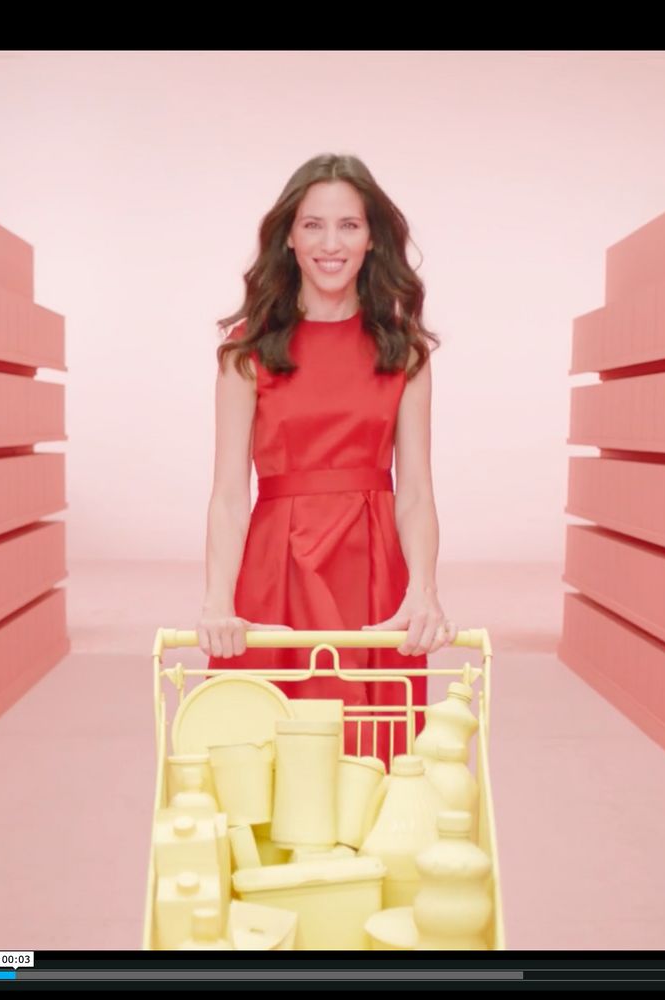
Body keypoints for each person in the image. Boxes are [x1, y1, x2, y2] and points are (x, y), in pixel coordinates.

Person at [196, 153, 456, 767]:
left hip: (373, 576)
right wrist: (216, 601)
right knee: (261, 757)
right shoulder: (245, 353)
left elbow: (416, 490)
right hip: (274, 572)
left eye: (349, 225)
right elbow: (229, 493)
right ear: (288, 237)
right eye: (313, 225)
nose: (330, 243)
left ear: (372, 240)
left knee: (377, 761)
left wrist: (423, 590)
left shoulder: (405, 352)